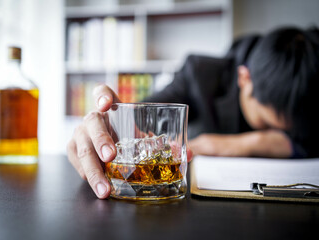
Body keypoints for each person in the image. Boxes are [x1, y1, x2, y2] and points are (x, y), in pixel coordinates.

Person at [67, 27, 319, 199]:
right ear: (244, 78)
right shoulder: (199, 76)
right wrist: (105, 124)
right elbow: (136, 117)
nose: (271, 132)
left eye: (286, 131)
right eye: (265, 122)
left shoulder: (311, 82)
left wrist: (254, 143)